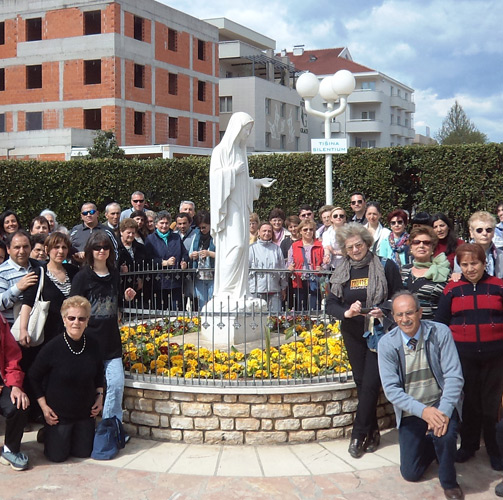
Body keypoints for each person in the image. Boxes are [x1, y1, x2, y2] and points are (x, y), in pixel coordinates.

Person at [326, 223, 402, 459]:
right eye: (350, 247)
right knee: (361, 382)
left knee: (370, 382)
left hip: (378, 332)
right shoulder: (341, 271)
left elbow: (399, 295)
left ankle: (358, 434)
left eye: (358, 245)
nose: (355, 250)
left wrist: (384, 309)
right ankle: (373, 431)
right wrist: (346, 312)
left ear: (367, 243)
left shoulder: (385, 266)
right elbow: (331, 304)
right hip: (353, 331)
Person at [378, 291, 464, 500]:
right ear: (393, 316)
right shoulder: (387, 344)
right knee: (411, 473)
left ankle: (449, 482)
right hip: (413, 410)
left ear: (420, 312)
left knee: (445, 434)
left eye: (409, 313)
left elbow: (454, 376)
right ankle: (433, 445)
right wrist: (424, 412)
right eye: (399, 315)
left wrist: (443, 412)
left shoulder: (440, 332)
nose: (405, 319)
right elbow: (392, 390)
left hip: (440, 403)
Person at [435, 243, 503, 471]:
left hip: (495, 356)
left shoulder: (498, 286)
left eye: (474, 263)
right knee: (470, 403)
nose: (470, 268)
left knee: (491, 405)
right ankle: (469, 445)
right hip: (463, 357)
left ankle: (495, 450)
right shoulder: (452, 289)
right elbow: (441, 324)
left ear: (484, 263)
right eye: (464, 264)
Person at [208, 111, 275, 309]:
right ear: (236, 129)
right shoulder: (221, 151)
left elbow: (242, 182)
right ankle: (226, 290)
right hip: (229, 210)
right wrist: (232, 171)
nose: (248, 133)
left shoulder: (241, 152)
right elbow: (215, 178)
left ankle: (239, 290)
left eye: (249, 130)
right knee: (235, 245)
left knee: (243, 246)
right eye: (246, 129)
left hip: (240, 208)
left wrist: (257, 183)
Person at [70, 232, 136, 423]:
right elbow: (73, 307)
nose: (101, 251)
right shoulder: (82, 277)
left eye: (105, 247)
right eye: (97, 247)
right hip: (88, 341)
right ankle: (83, 425)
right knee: (87, 386)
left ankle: (110, 427)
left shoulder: (114, 273)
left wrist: (126, 297)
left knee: (116, 384)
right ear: (90, 250)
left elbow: (115, 302)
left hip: (111, 340)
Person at [28, 296, 103, 463]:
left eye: (81, 318)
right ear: (64, 320)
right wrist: (44, 407)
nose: (76, 322)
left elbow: (99, 372)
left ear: (87, 321)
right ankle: (47, 433)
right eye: (71, 318)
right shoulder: (52, 347)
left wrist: (99, 396)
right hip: (59, 415)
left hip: (84, 413)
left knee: (83, 453)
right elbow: (33, 376)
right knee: (58, 457)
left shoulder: (93, 344)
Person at [19, 232, 79, 349]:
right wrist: (23, 329)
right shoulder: (38, 273)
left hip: (71, 332)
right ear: (47, 249)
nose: (60, 251)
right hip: (46, 334)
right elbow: (27, 303)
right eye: (56, 247)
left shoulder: (74, 271)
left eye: (64, 247)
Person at [0, 313, 30, 471]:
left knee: (19, 403)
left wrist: (15, 386)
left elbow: (12, 357)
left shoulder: (0, 321)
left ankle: (10, 450)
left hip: (2, 382)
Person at [400, 226, 450, 319]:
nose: (421, 245)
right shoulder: (403, 271)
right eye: (416, 242)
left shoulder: (442, 271)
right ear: (411, 247)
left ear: (433, 248)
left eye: (426, 243)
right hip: (405, 324)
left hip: (433, 324)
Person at [144, 211, 188, 310]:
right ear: (156, 224)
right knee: (161, 313)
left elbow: (184, 253)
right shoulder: (150, 239)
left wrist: (184, 262)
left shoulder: (176, 237)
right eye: (162, 223)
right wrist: (163, 262)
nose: (164, 226)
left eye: (167, 223)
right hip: (159, 283)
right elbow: (147, 259)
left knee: (177, 311)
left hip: (176, 281)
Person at [0, 231, 39, 325]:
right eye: (17, 247)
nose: (22, 251)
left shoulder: (39, 267)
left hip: (37, 326)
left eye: (25, 247)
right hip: (11, 327)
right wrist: (17, 288)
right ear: (8, 249)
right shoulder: (2, 272)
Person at [249, 222, 287, 314]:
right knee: (257, 318)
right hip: (256, 290)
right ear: (259, 232)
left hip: (274, 290)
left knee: (275, 317)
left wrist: (283, 287)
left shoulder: (277, 249)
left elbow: (282, 269)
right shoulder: (251, 248)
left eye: (269, 231)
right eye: (264, 231)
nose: (267, 233)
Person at [454, 210, 503, 279]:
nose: (484, 233)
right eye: (479, 230)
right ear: (471, 232)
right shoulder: (462, 255)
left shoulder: (501, 255)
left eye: (488, 230)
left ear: (494, 232)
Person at [287, 219, 324, 311]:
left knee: (314, 308)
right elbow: (289, 262)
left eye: (311, 229)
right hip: (299, 281)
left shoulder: (320, 245)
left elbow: (325, 262)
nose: (308, 231)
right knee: (300, 309)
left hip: (315, 281)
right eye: (305, 229)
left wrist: (322, 268)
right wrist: (289, 267)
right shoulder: (294, 246)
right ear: (300, 231)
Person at [189, 210, 215, 309]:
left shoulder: (216, 238)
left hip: (213, 276)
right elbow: (190, 254)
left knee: (212, 303)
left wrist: (209, 254)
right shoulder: (197, 237)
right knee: (201, 304)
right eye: (199, 227)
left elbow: (223, 255)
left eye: (204, 227)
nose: (201, 230)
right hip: (199, 276)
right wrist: (193, 255)